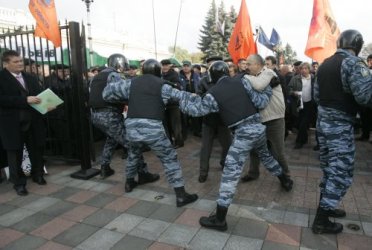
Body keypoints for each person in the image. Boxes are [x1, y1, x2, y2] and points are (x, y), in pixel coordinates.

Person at [178, 61, 293, 231]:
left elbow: (196, 111)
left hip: (243, 133)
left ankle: (220, 218)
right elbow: (260, 102)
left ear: (211, 76)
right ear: (227, 72)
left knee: (230, 175)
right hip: (259, 128)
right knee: (267, 157)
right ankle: (285, 180)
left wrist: (181, 98)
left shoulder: (213, 93)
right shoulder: (243, 80)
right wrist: (269, 88)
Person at [102, 59, 198, 207]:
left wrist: (126, 99)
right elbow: (184, 97)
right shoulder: (163, 86)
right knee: (169, 158)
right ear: (158, 71)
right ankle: (180, 195)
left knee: (134, 153)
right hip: (152, 127)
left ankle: (129, 183)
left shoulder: (130, 83)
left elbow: (107, 94)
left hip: (132, 126)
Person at [312, 30, 372, 234]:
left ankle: (326, 206)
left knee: (330, 169)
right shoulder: (354, 63)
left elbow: (317, 95)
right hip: (340, 124)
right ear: (357, 45)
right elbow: (365, 97)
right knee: (341, 172)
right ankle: (321, 219)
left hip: (323, 123)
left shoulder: (325, 63)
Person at [89, 54, 159, 189]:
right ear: (119, 64)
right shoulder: (115, 75)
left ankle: (105, 167)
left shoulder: (97, 76)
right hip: (109, 116)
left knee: (111, 139)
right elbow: (118, 93)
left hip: (96, 116)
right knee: (133, 144)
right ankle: (142, 174)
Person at [0, 50, 47, 196]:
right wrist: (24, 100)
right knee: (15, 154)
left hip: (33, 120)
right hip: (12, 123)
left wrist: (47, 103)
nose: (20, 63)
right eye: (16, 61)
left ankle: (38, 174)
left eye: (21, 61)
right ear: (6, 64)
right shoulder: (1, 78)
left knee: (36, 149)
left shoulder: (30, 77)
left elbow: (40, 95)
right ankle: (18, 183)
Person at [241, 55, 291, 183]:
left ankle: (286, 176)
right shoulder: (255, 76)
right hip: (260, 119)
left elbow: (258, 86)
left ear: (257, 65)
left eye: (249, 64)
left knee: (278, 152)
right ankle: (253, 173)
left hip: (275, 119)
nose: (246, 67)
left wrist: (244, 77)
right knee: (254, 149)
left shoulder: (268, 72)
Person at [197, 56, 232, 183]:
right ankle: (203, 172)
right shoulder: (203, 81)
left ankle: (224, 163)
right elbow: (199, 98)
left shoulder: (227, 80)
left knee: (228, 146)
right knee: (206, 147)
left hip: (223, 120)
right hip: (208, 120)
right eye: (211, 64)